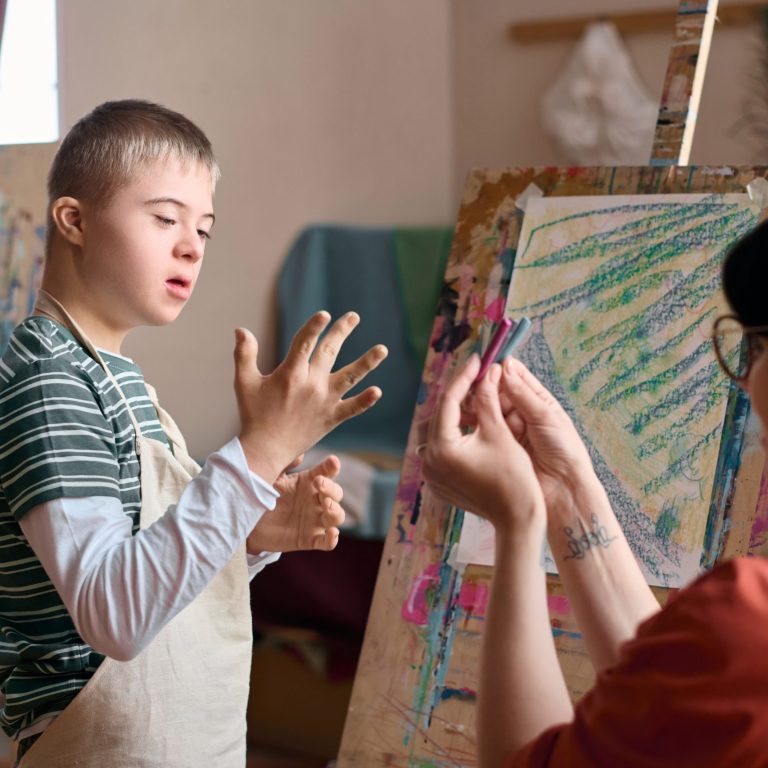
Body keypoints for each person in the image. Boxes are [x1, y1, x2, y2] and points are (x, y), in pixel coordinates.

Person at [0, 99, 388, 768]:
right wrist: (259, 451)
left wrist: (251, 531)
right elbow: (114, 614)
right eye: (164, 218)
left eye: (204, 229)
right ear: (74, 220)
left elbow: (148, 564)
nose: (191, 246)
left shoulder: (122, 381)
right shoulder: (46, 381)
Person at [421, 220, 768, 768]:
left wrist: (518, 521)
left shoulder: (750, 622)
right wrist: (562, 489)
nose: (745, 379)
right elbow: (674, 703)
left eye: (756, 344)